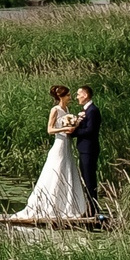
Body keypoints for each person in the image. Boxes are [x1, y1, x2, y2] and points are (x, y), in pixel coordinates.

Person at [16, 84, 91, 221]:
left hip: (67, 144)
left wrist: (75, 123)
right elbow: (49, 130)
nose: (70, 97)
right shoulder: (55, 110)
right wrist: (64, 129)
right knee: (56, 170)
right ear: (61, 97)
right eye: (68, 95)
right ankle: (48, 205)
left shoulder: (67, 109)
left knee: (67, 171)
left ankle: (66, 206)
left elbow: (70, 126)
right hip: (59, 144)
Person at [71, 84, 102, 215]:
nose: (77, 97)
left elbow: (90, 130)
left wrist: (74, 131)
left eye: (78, 94)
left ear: (85, 95)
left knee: (89, 178)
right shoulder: (87, 111)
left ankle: (93, 208)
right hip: (85, 149)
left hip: (89, 149)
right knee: (85, 177)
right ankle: (89, 207)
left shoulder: (93, 111)